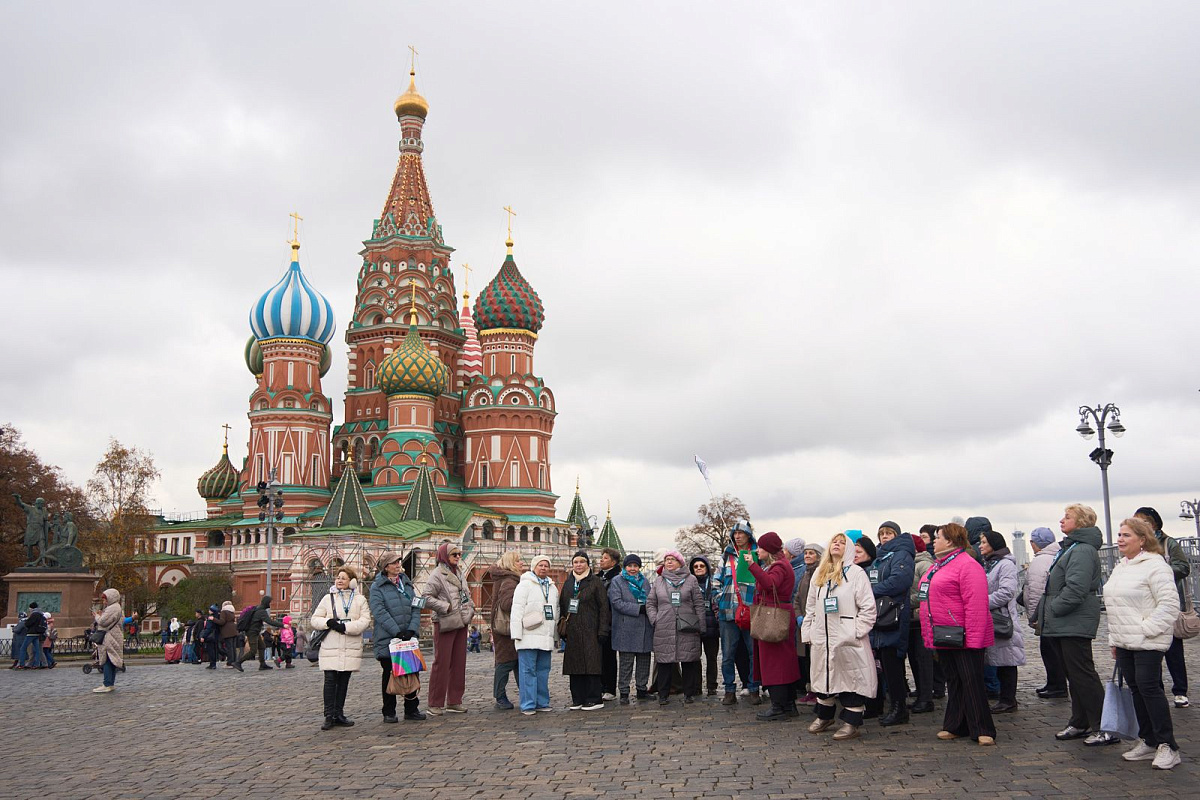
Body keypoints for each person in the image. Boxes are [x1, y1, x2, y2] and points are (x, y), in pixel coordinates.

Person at [1105, 517, 1182, 770]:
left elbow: (1169, 604)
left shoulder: (1155, 566)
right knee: (1137, 688)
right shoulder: (1121, 567)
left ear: (1142, 539)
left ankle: (1168, 745)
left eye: (1126, 535)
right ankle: (1148, 739)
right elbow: (1116, 606)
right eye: (1119, 535)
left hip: (1147, 639)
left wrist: (1146, 629)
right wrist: (1115, 639)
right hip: (1125, 640)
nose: (1120, 540)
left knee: (1150, 688)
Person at [919, 522, 996, 745]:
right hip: (944, 633)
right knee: (954, 680)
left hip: (963, 634)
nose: (934, 541)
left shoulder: (967, 565)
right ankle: (955, 724)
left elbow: (976, 605)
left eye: (938, 537)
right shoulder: (938, 565)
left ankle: (983, 728)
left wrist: (973, 639)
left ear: (950, 541)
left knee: (971, 681)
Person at [1040, 504, 1108, 745]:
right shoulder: (1071, 548)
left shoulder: (1081, 550)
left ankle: (1104, 726)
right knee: (1074, 674)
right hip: (1065, 621)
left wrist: (1054, 609)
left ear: (1080, 523)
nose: (1061, 521)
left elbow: (1076, 589)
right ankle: (1081, 722)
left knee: (1083, 674)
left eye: (1067, 517)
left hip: (1072, 620)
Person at [802, 533, 877, 741]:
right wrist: (809, 632)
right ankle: (824, 716)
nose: (837, 544)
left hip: (846, 637)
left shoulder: (856, 574)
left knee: (850, 677)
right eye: (834, 541)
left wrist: (854, 632)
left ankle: (852, 721)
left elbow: (868, 609)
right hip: (822, 636)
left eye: (843, 542)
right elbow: (810, 607)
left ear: (850, 549)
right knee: (823, 675)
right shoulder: (820, 572)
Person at [1135, 506, 1191, 709]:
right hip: (1145, 605)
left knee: (1173, 650)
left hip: (1167, 603)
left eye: (1142, 521)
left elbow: (1184, 567)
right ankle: (1155, 689)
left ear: (1154, 523)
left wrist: (1160, 572)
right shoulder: (1137, 545)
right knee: (1150, 650)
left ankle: (1180, 691)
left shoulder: (1168, 543)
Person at [747, 532, 801, 720]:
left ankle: (778, 705)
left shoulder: (778, 566)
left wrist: (752, 567)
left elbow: (770, 584)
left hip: (773, 615)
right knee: (784, 661)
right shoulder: (781, 564)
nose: (757, 550)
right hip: (780, 613)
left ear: (768, 549)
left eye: (760, 547)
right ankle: (788, 704)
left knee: (774, 663)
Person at [311, 567, 371, 730]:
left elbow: (365, 621)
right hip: (331, 643)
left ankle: (339, 713)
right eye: (337, 577)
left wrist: (346, 627)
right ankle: (328, 715)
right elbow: (315, 619)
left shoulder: (360, 600)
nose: (339, 580)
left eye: (343, 578)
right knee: (330, 680)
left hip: (350, 643)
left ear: (352, 581)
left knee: (343, 680)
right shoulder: (327, 598)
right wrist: (328, 623)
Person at [368, 551, 425, 723]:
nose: (398, 565)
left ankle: (411, 708)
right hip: (389, 639)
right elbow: (379, 611)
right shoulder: (377, 587)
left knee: (412, 670)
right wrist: (397, 632)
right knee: (390, 674)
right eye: (394, 563)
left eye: (399, 562)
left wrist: (411, 630)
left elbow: (416, 607)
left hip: (408, 637)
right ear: (386, 567)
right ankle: (389, 711)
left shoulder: (406, 584)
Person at [870, 522, 916, 726]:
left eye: (889, 533)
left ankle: (899, 708)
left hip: (894, 613)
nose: (884, 537)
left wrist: (870, 591)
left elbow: (900, 580)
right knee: (885, 665)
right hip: (879, 614)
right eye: (881, 533)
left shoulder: (901, 554)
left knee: (893, 663)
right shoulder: (880, 555)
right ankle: (892, 707)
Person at [647, 549, 706, 706]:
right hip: (664, 625)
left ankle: (689, 693)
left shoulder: (691, 579)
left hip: (687, 625)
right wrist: (655, 619)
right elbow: (651, 603)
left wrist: (701, 625)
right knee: (664, 662)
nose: (669, 562)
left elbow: (699, 604)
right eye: (667, 559)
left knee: (688, 660)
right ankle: (663, 694)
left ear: (680, 562)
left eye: (673, 559)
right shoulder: (659, 580)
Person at [423, 542, 476, 715]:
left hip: (461, 621)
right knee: (442, 663)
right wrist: (445, 607)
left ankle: (454, 700)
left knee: (459, 662)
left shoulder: (459, 572)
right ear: (445, 556)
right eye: (454, 555)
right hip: (445, 621)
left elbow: (465, 595)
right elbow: (426, 597)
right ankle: (435, 702)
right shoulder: (438, 574)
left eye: (459, 554)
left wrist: (471, 608)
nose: (458, 557)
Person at [716, 520, 761, 705]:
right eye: (735, 533)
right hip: (728, 610)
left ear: (748, 535)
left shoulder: (756, 554)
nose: (737, 536)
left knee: (753, 653)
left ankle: (753, 688)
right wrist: (718, 598)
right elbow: (716, 579)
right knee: (728, 654)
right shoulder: (726, 556)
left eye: (741, 533)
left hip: (751, 610)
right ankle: (729, 689)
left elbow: (762, 578)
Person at [980, 530, 1025, 714]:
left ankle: (1008, 699)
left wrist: (982, 602)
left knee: (1008, 659)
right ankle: (1004, 698)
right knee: (1000, 659)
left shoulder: (1005, 565)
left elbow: (1007, 592)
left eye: (984, 542)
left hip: (1003, 618)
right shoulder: (991, 564)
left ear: (993, 544)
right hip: (993, 617)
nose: (981, 545)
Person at [560, 550, 611, 710]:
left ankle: (594, 698)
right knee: (574, 665)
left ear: (587, 564)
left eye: (582, 562)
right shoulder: (568, 583)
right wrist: (563, 629)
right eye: (576, 562)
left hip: (591, 629)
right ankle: (578, 698)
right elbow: (563, 606)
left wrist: (603, 630)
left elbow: (604, 607)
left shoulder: (595, 582)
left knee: (591, 664)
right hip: (573, 630)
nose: (579, 565)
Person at [510, 554, 559, 715]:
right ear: (534, 567)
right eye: (540, 565)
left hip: (545, 635)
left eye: (546, 565)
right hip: (528, 634)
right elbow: (516, 610)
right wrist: (516, 633)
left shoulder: (552, 587)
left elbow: (555, 612)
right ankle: (528, 704)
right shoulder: (525, 585)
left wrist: (554, 635)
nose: (543, 568)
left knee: (543, 670)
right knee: (527, 671)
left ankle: (542, 702)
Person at [1025, 527, 1067, 698]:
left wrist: (1035, 616)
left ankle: (1056, 685)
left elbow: (1035, 591)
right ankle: (1055, 683)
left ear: (1034, 543)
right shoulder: (1057, 555)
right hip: (1053, 612)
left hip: (1045, 613)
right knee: (1054, 650)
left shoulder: (1039, 561)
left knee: (1049, 651)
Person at [610, 553, 655, 703]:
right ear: (625, 567)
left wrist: (648, 609)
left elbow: (651, 600)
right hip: (626, 628)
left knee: (644, 662)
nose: (632, 569)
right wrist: (638, 609)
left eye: (635, 566)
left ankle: (642, 689)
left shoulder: (645, 581)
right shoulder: (617, 581)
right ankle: (624, 692)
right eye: (630, 566)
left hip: (644, 628)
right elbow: (616, 602)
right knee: (626, 664)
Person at [486, 550, 524, 710]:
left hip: (505, 628)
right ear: (510, 564)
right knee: (505, 663)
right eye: (518, 561)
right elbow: (507, 604)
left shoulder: (505, 578)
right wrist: (523, 600)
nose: (521, 563)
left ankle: (525, 693)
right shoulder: (510, 580)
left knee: (514, 662)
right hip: (507, 629)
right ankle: (500, 696)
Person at [907, 531, 937, 713]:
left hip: (920, 618)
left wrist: (906, 600)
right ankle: (921, 694)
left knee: (923, 659)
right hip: (912, 618)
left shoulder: (924, 564)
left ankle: (927, 697)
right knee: (915, 658)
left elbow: (927, 592)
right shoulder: (911, 564)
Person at [793, 542, 823, 705]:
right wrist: (798, 615)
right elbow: (797, 598)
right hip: (804, 624)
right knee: (807, 660)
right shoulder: (804, 575)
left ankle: (820, 693)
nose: (807, 556)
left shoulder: (822, 573)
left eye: (811, 553)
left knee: (817, 659)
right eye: (805, 553)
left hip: (817, 624)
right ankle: (811, 690)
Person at [690, 555, 721, 697]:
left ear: (707, 568)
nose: (699, 569)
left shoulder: (714, 583)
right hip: (694, 626)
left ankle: (712, 685)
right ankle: (696, 686)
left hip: (712, 626)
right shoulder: (689, 583)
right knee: (695, 658)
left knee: (712, 658)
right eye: (696, 566)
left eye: (701, 566)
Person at [597, 547, 622, 701]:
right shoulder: (599, 577)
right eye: (601, 557)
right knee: (599, 656)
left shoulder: (616, 578)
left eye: (605, 558)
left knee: (609, 656)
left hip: (611, 622)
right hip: (599, 621)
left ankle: (610, 688)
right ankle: (600, 685)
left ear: (613, 561)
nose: (601, 560)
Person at [92, 588, 125, 693]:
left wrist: (96, 616)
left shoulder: (112, 608)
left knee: (107, 659)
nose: (104, 601)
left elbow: (102, 622)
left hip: (109, 637)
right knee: (112, 659)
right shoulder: (117, 607)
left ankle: (107, 683)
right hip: (114, 636)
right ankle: (110, 683)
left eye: (105, 599)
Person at [238, 595, 282, 670]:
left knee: (262, 646)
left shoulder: (257, 608)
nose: (270, 604)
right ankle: (238, 662)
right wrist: (283, 625)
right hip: (252, 632)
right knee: (253, 651)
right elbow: (270, 622)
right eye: (269, 603)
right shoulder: (262, 611)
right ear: (266, 603)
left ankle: (262, 664)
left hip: (255, 631)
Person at [22, 603, 48, 669]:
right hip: (39, 633)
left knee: (24, 648)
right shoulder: (41, 615)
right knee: (37, 650)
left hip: (33, 633)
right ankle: (36, 664)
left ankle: (24, 664)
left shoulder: (34, 614)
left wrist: (26, 622)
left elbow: (28, 623)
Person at [218, 600, 239, 670]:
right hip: (234, 630)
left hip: (227, 631)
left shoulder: (224, 612)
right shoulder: (232, 612)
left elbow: (222, 621)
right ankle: (234, 661)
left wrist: (214, 619)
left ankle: (230, 662)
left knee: (229, 647)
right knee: (233, 647)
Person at [200, 604, 221, 669]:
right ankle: (213, 663)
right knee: (214, 650)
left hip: (210, 636)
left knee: (210, 650)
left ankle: (212, 664)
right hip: (216, 636)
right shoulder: (217, 617)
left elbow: (208, 628)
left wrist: (203, 636)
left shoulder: (210, 619)